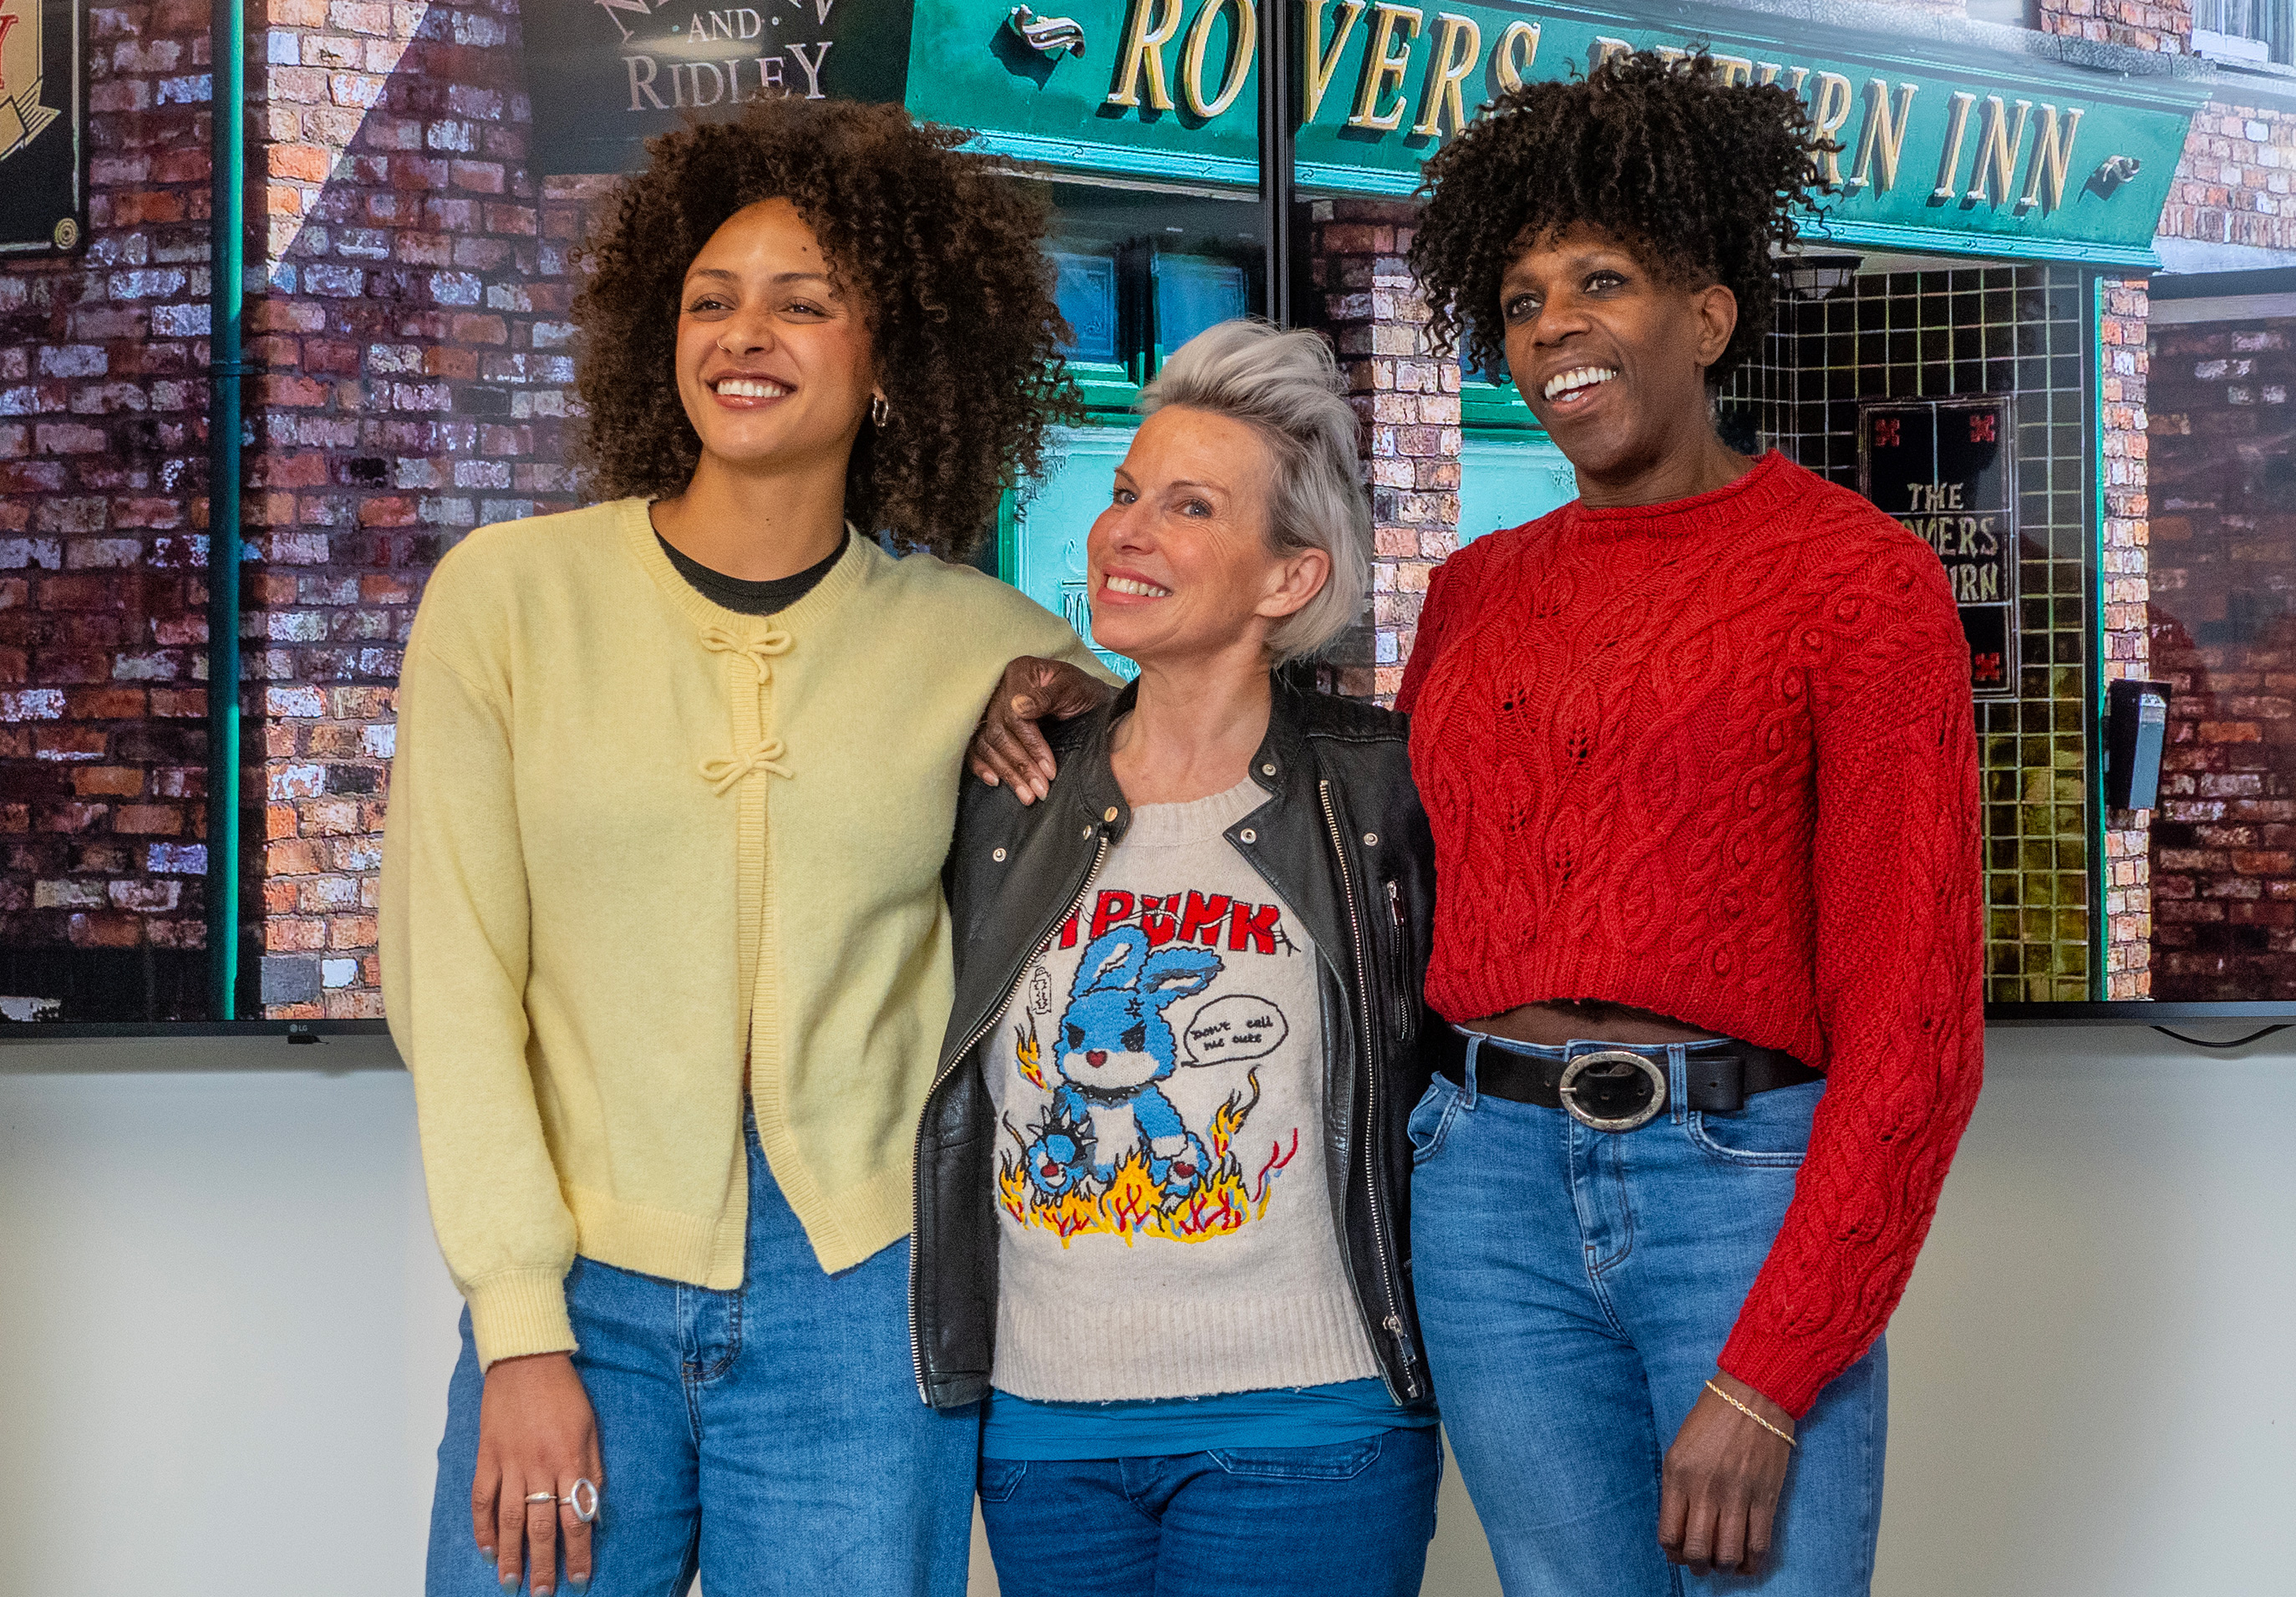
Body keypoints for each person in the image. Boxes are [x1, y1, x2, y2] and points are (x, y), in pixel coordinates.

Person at [968, 52, 1984, 1597]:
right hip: (1483, 1186)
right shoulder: (1479, 596)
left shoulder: (1859, 581)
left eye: (1602, 282)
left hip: (1738, 1185)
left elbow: (1915, 1023)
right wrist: (1072, 681)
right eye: (1519, 300)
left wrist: (1771, 1371)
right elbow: (1275, 729)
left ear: (1708, 316)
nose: (1553, 327)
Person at [380, 98, 1103, 1597]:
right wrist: (520, 1324)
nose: (742, 333)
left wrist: (1080, 704)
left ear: (893, 357)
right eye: (710, 299)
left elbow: (1188, 770)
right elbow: (451, 985)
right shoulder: (507, 602)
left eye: (803, 300)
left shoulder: (983, 637)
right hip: (582, 1289)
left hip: (864, 1301)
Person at [913, 319, 1442, 1597]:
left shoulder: (1377, 788)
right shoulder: (1015, 783)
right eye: (1123, 492)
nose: (1126, 531)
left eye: (1190, 506)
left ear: (1288, 580)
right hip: (1047, 1431)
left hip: (1309, 1421)